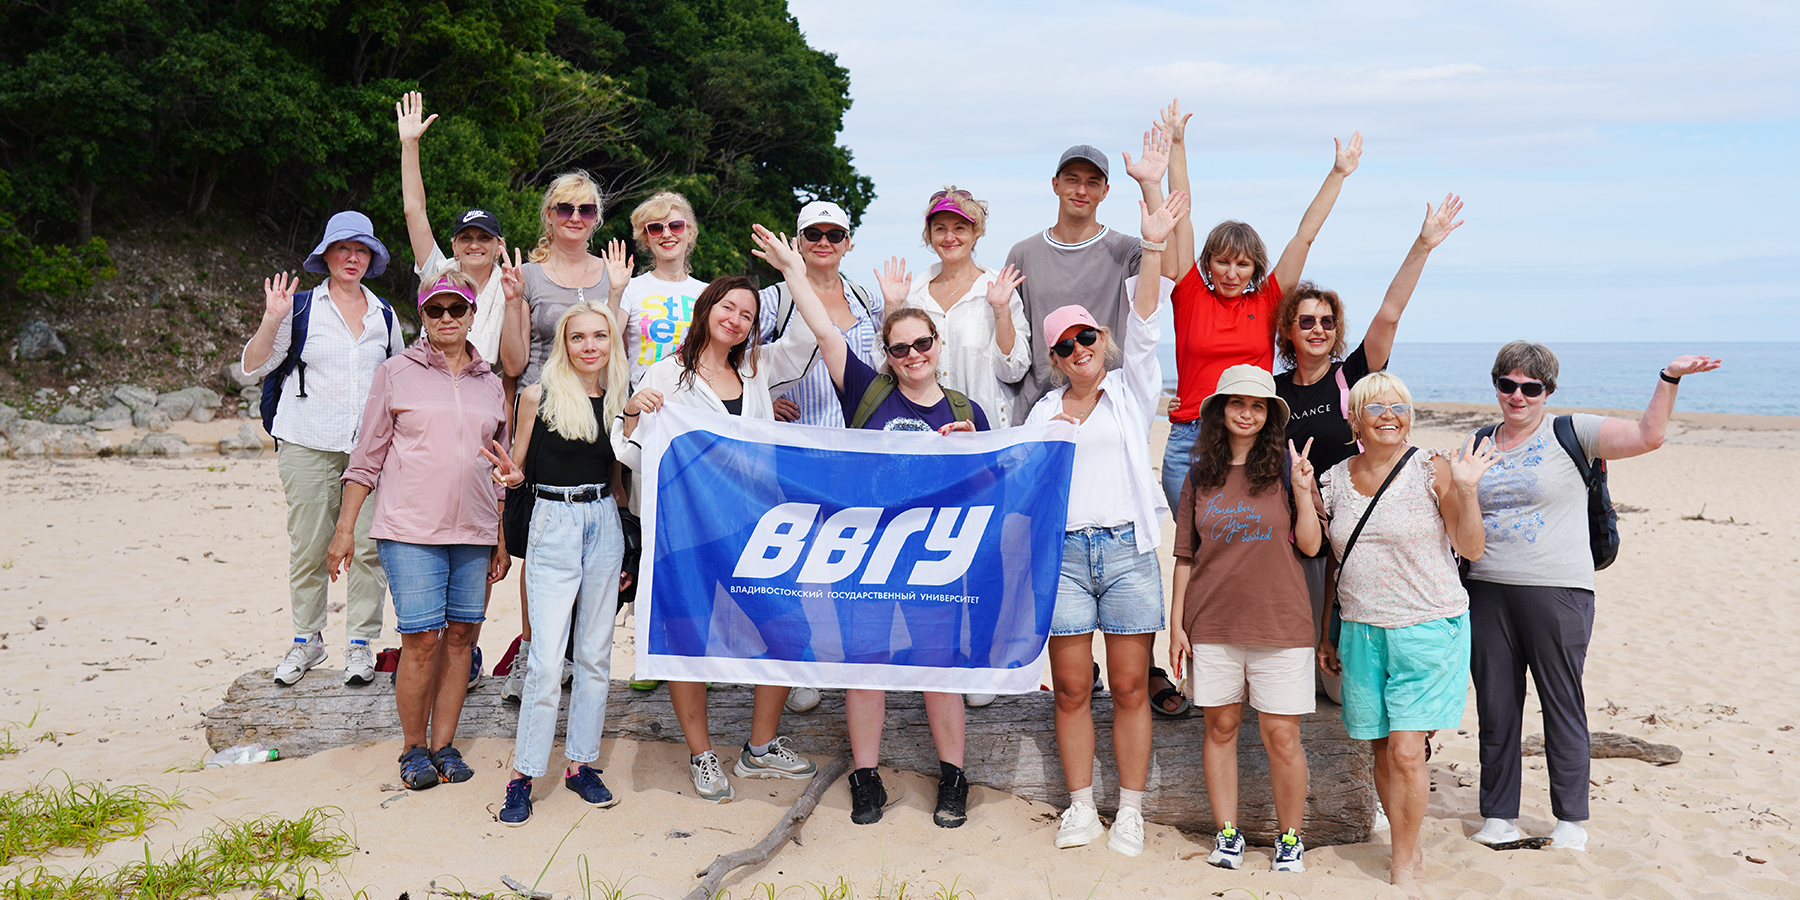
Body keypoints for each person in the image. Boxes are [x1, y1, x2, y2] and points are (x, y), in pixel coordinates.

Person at [751, 221, 991, 829]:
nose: (913, 356)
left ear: (937, 344)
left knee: (939, 668)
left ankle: (953, 778)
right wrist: (793, 270)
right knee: (866, 665)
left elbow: (994, 492)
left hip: (934, 558)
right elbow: (824, 329)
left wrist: (973, 454)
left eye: (922, 344)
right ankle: (865, 777)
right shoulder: (867, 391)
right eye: (900, 348)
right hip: (868, 551)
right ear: (887, 355)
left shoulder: (966, 411)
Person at [1465, 342, 1720, 853]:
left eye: (1531, 387)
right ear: (1496, 385)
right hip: (1486, 589)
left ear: (1548, 391)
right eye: (1508, 385)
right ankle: (1499, 816)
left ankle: (1570, 820)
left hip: (1558, 590)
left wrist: (1669, 378)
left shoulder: (1572, 431)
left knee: (1562, 704)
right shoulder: (1477, 441)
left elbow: (1648, 437)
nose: (1518, 396)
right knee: (1496, 708)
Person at [611, 276, 819, 805]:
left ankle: (760, 746)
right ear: (706, 308)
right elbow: (633, 453)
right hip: (687, 530)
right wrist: (633, 411)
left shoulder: (756, 370)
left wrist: (794, 269)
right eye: (728, 307)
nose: (736, 319)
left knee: (789, 625)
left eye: (747, 315)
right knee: (689, 637)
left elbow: (810, 336)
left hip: (753, 525)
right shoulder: (666, 373)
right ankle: (701, 754)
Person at [1023, 191, 1187, 857]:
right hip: (1062, 559)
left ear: (1101, 340)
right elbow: (1013, 473)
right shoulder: (1041, 412)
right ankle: (1082, 807)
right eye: (1065, 346)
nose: (1078, 349)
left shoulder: (1130, 392)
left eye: (1086, 337)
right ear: (1056, 359)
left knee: (1128, 686)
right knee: (1069, 689)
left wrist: (1152, 244)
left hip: (1126, 553)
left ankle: (1132, 811)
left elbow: (1145, 321)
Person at [1273, 193, 1465, 701]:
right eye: (1306, 321)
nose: (1318, 329)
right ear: (1288, 330)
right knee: (1291, 666)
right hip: (1294, 536)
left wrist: (1423, 244)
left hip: (1349, 537)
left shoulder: (1351, 376)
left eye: (1327, 321)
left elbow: (1390, 314)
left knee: (1339, 683)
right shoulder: (1271, 392)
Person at [1314, 372, 1494, 898]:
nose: (1389, 415)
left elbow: (1471, 546)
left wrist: (1466, 489)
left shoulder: (1430, 469)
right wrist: (1326, 631)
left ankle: (1403, 865)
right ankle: (1406, 844)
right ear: (1355, 419)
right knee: (1379, 749)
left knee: (1408, 750)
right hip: (1361, 630)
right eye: (1376, 407)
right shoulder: (1333, 479)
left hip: (1427, 626)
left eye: (1399, 406)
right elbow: (1333, 564)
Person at [327, 272, 509, 791]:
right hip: (409, 530)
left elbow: (499, 468)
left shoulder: (491, 383)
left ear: (472, 314)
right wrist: (344, 531)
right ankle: (412, 748)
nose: (447, 318)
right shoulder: (395, 372)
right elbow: (366, 458)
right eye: (436, 310)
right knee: (423, 639)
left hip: (474, 531)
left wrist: (500, 537)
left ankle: (444, 745)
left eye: (457, 308)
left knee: (461, 638)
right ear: (422, 316)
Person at [1160, 94, 1362, 507]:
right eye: (1222, 262)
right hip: (1189, 439)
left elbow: (1304, 236)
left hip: (1250, 437)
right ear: (1208, 263)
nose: (1232, 273)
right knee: (1192, 542)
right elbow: (1181, 216)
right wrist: (1177, 144)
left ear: (1255, 268)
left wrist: (1338, 173)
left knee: (1246, 537)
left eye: (1243, 264)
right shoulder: (1190, 293)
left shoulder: (1268, 300)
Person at [1168, 364, 1325, 873]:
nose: (1247, 413)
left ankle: (1290, 839)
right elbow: (1185, 556)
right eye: (1237, 403)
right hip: (1212, 624)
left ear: (1269, 415)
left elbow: (1311, 545)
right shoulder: (1199, 473)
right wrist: (1176, 625)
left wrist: (1303, 490)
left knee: (1283, 737)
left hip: (1281, 624)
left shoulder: (1287, 469)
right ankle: (1228, 834)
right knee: (1221, 728)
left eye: (1258, 406)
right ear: (1220, 410)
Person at [481, 300, 632, 825]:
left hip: (603, 523)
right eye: (578, 337)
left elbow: (618, 480)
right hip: (554, 520)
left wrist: (624, 543)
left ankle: (580, 765)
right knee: (546, 661)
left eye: (600, 336)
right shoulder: (537, 395)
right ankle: (523, 775)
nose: (590, 346)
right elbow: (517, 466)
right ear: (564, 343)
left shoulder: (620, 398)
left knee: (595, 656)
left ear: (611, 343)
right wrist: (509, 478)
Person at [241, 210, 406, 687]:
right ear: (327, 255)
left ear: (371, 259)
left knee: (369, 548)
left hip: (369, 452)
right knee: (310, 545)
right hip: (307, 444)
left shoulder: (384, 315)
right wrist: (271, 319)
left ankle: (360, 643)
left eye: (362, 250)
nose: (352, 258)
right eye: (343, 249)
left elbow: (399, 378)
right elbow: (253, 365)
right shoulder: (300, 308)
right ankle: (307, 639)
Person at [495, 172, 630, 702]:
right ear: (549, 216)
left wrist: (616, 293)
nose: (576, 217)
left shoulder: (611, 274)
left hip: (599, 413)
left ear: (597, 218)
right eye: (565, 208)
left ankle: (574, 654)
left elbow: (612, 348)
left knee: (598, 533)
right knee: (541, 542)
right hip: (543, 413)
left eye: (586, 209)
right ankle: (533, 651)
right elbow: (513, 363)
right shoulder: (526, 275)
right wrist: (512, 301)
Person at [1003, 132, 1169, 425]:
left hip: (1106, 408)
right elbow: (1013, 341)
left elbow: (1167, 272)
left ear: (1105, 191)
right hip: (1039, 409)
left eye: (1093, 182)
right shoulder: (1023, 253)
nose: (1081, 190)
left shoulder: (1126, 250)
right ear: (1055, 184)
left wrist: (1151, 185)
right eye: (1072, 180)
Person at [884, 187, 1030, 429]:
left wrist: (1000, 309)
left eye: (960, 228)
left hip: (986, 431)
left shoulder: (999, 289)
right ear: (929, 236)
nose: (949, 237)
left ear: (976, 233)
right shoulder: (913, 296)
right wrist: (892, 305)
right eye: (940, 229)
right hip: (927, 431)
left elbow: (1013, 371)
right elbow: (890, 365)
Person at [396, 92, 508, 364]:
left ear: (499, 247)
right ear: (454, 246)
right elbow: (414, 211)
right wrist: (410, 145)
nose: (474, 244)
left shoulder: (512, 288)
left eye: (484, 237)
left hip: (483, 379)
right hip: (431, 375)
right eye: (466, 237)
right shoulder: (438, 273)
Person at [757, 199, 883, 430]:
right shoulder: (773, 300)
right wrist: (762, 400)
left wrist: (894, 304)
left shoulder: (868, 301)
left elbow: (892, 361)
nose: (823, 242)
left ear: (847, 243)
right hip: (797, 442)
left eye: (834, 235)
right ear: (799, 242)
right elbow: (732, 358)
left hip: (861, 442)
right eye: (813, 234)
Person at [621, 191, 710, 385]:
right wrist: (614, 291)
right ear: (646, 238)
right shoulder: (629, 288)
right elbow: (607, 340)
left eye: (676, 226)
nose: (667, 234)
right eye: (656, 228)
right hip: (643, 399)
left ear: (690, 232)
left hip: (696, 399)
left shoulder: (707, 293)